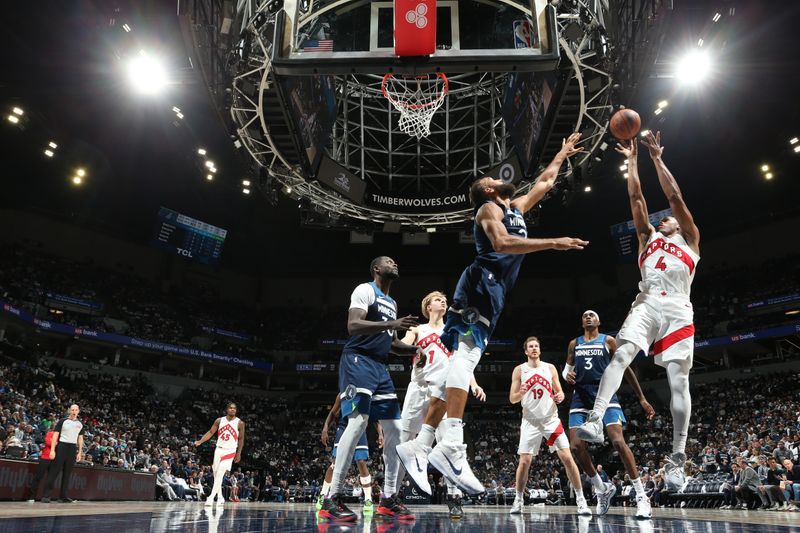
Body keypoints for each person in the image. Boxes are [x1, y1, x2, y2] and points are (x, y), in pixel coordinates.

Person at [423, 134, 588, 495]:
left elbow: (544, 182)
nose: (497, 178)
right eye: (490, 181)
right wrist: (554, 243)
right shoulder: (488, 210)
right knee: (465, 358)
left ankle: (425, 444)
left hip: (492, 292)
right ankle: (449, 445)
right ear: (487, 192)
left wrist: (560, 153)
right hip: (480, 283)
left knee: (461, 362)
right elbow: (501, 244)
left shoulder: (514, 208)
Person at [576, 132, 700, 493]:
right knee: (621, 354)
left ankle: (678, 457)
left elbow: (674, 197)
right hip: (646, 302)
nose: (665, 219)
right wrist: (632, 160)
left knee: (679, 379)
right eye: (662, 219)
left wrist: (657, 159)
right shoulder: (647, 238)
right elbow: (636, 197)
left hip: (678, 308)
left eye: (670, 219)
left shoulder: (690, 239)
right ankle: (597, 417)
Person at [318, 256, 419, 522]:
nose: (395, 263)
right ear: (376, 269)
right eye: (389, 261)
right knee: (359, 421)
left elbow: (392, 343)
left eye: (397, 261)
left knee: (395, 430)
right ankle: (332, 498)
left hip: (380, 367)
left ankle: (387, 499)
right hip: (358, 360)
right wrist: (391, 324)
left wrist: (417, 350)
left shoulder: (393, 302)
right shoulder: (365, 290)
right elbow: (353, 326)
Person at [395, 291, 487, 519]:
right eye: (438, 299)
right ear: (428, 306)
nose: (443, 301)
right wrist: (412, 347)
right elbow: (403, 345)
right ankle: (391, 496)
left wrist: (474, 383)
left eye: (445, 300)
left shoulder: (453, 331)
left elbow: (461, 364)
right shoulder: (417, 329)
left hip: (444, 391)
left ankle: (454, 498)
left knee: (449, 445)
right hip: (419, 388)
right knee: (404, 442)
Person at [563, 310, 655, 518]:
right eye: (584, 315)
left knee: (617, 442)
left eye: (592, 315)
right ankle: (601, 488)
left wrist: (641, 397)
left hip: (606, 395)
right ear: (581, 321)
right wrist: (566, 375)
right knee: (576, 447)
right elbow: (566, 369)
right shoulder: (574, 343)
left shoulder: (609, 341)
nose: (587, 316)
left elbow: (625, 368)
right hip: (581, 397)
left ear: (599, 321)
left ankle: (641, 496)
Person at [508, 336, 590, 515]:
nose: (534, 348)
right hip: (530, 421)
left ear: (540, 349)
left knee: (568, 458)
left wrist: (560, 396)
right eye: (530, 346)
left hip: (550, 420)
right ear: (526, 351)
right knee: (525, 461)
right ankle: (519, 499)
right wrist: (520, 393)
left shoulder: (550, 368)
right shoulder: (519, 370)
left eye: (536, 346)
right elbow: (512, 399)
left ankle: (581, 499)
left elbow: (559, 391)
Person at [317, 394, 379, 514]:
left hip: (360, 429)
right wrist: (325, 428)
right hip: (343, 428)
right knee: (335, 464)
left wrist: (380, 433)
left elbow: (374, 416)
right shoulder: (342, 394)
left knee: (361, 462)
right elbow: (333, 413)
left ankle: (368, 499)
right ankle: (323, 495)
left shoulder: (367, 393)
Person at [193, 402, 245, 506]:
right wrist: (200, 441)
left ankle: (211, 497)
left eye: (234, 408)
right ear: (227, 409)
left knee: (221, 472)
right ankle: (220, 497)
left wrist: (238, 453)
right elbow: (211, 432)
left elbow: (241, 438)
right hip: (219, 449)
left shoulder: (240, 423)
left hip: (230, 450)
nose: (232, 410)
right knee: (217, 474)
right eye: (230, 408)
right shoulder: (219, 420)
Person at [40, 404, 84, 503]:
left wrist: (79, 452)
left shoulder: (80, 424)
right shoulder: (62, 421)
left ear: (78, 411)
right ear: (69, 410)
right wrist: (52, 450)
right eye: (72, 410)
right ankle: (46, 495)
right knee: (54, 471)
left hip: (72, 448)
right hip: (61, 446)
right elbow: (55, 435)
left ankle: (63, 496)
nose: (74, 411)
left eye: (75, 410)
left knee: (67, 473)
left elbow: (80, 438)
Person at [25, 430, 55, 502]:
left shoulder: (63, 437)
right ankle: (31, 497)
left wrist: (54, 443)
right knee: (38, 477)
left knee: (51, 479)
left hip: (55, 460)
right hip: (45, 458)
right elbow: (48, 443)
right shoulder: (51, 433)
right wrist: (57, 443)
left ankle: (46, 497)